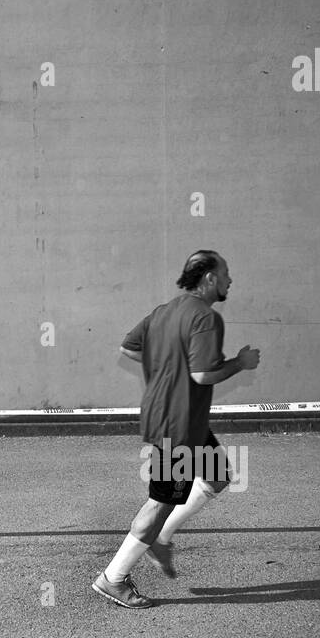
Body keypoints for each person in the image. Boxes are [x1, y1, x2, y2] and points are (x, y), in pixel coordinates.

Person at [93, 250, 260, 608]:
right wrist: (240, 363)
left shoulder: (163, 312)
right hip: (178, 427)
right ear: (209, 278)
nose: (230, 280)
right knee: (159, 504)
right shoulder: (206, 318)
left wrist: (166, 364)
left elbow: (129, 347)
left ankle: (162, 538)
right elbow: (202, 374)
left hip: (184, 421)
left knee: (217, 476)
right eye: (226, 273)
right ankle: (114, 578)